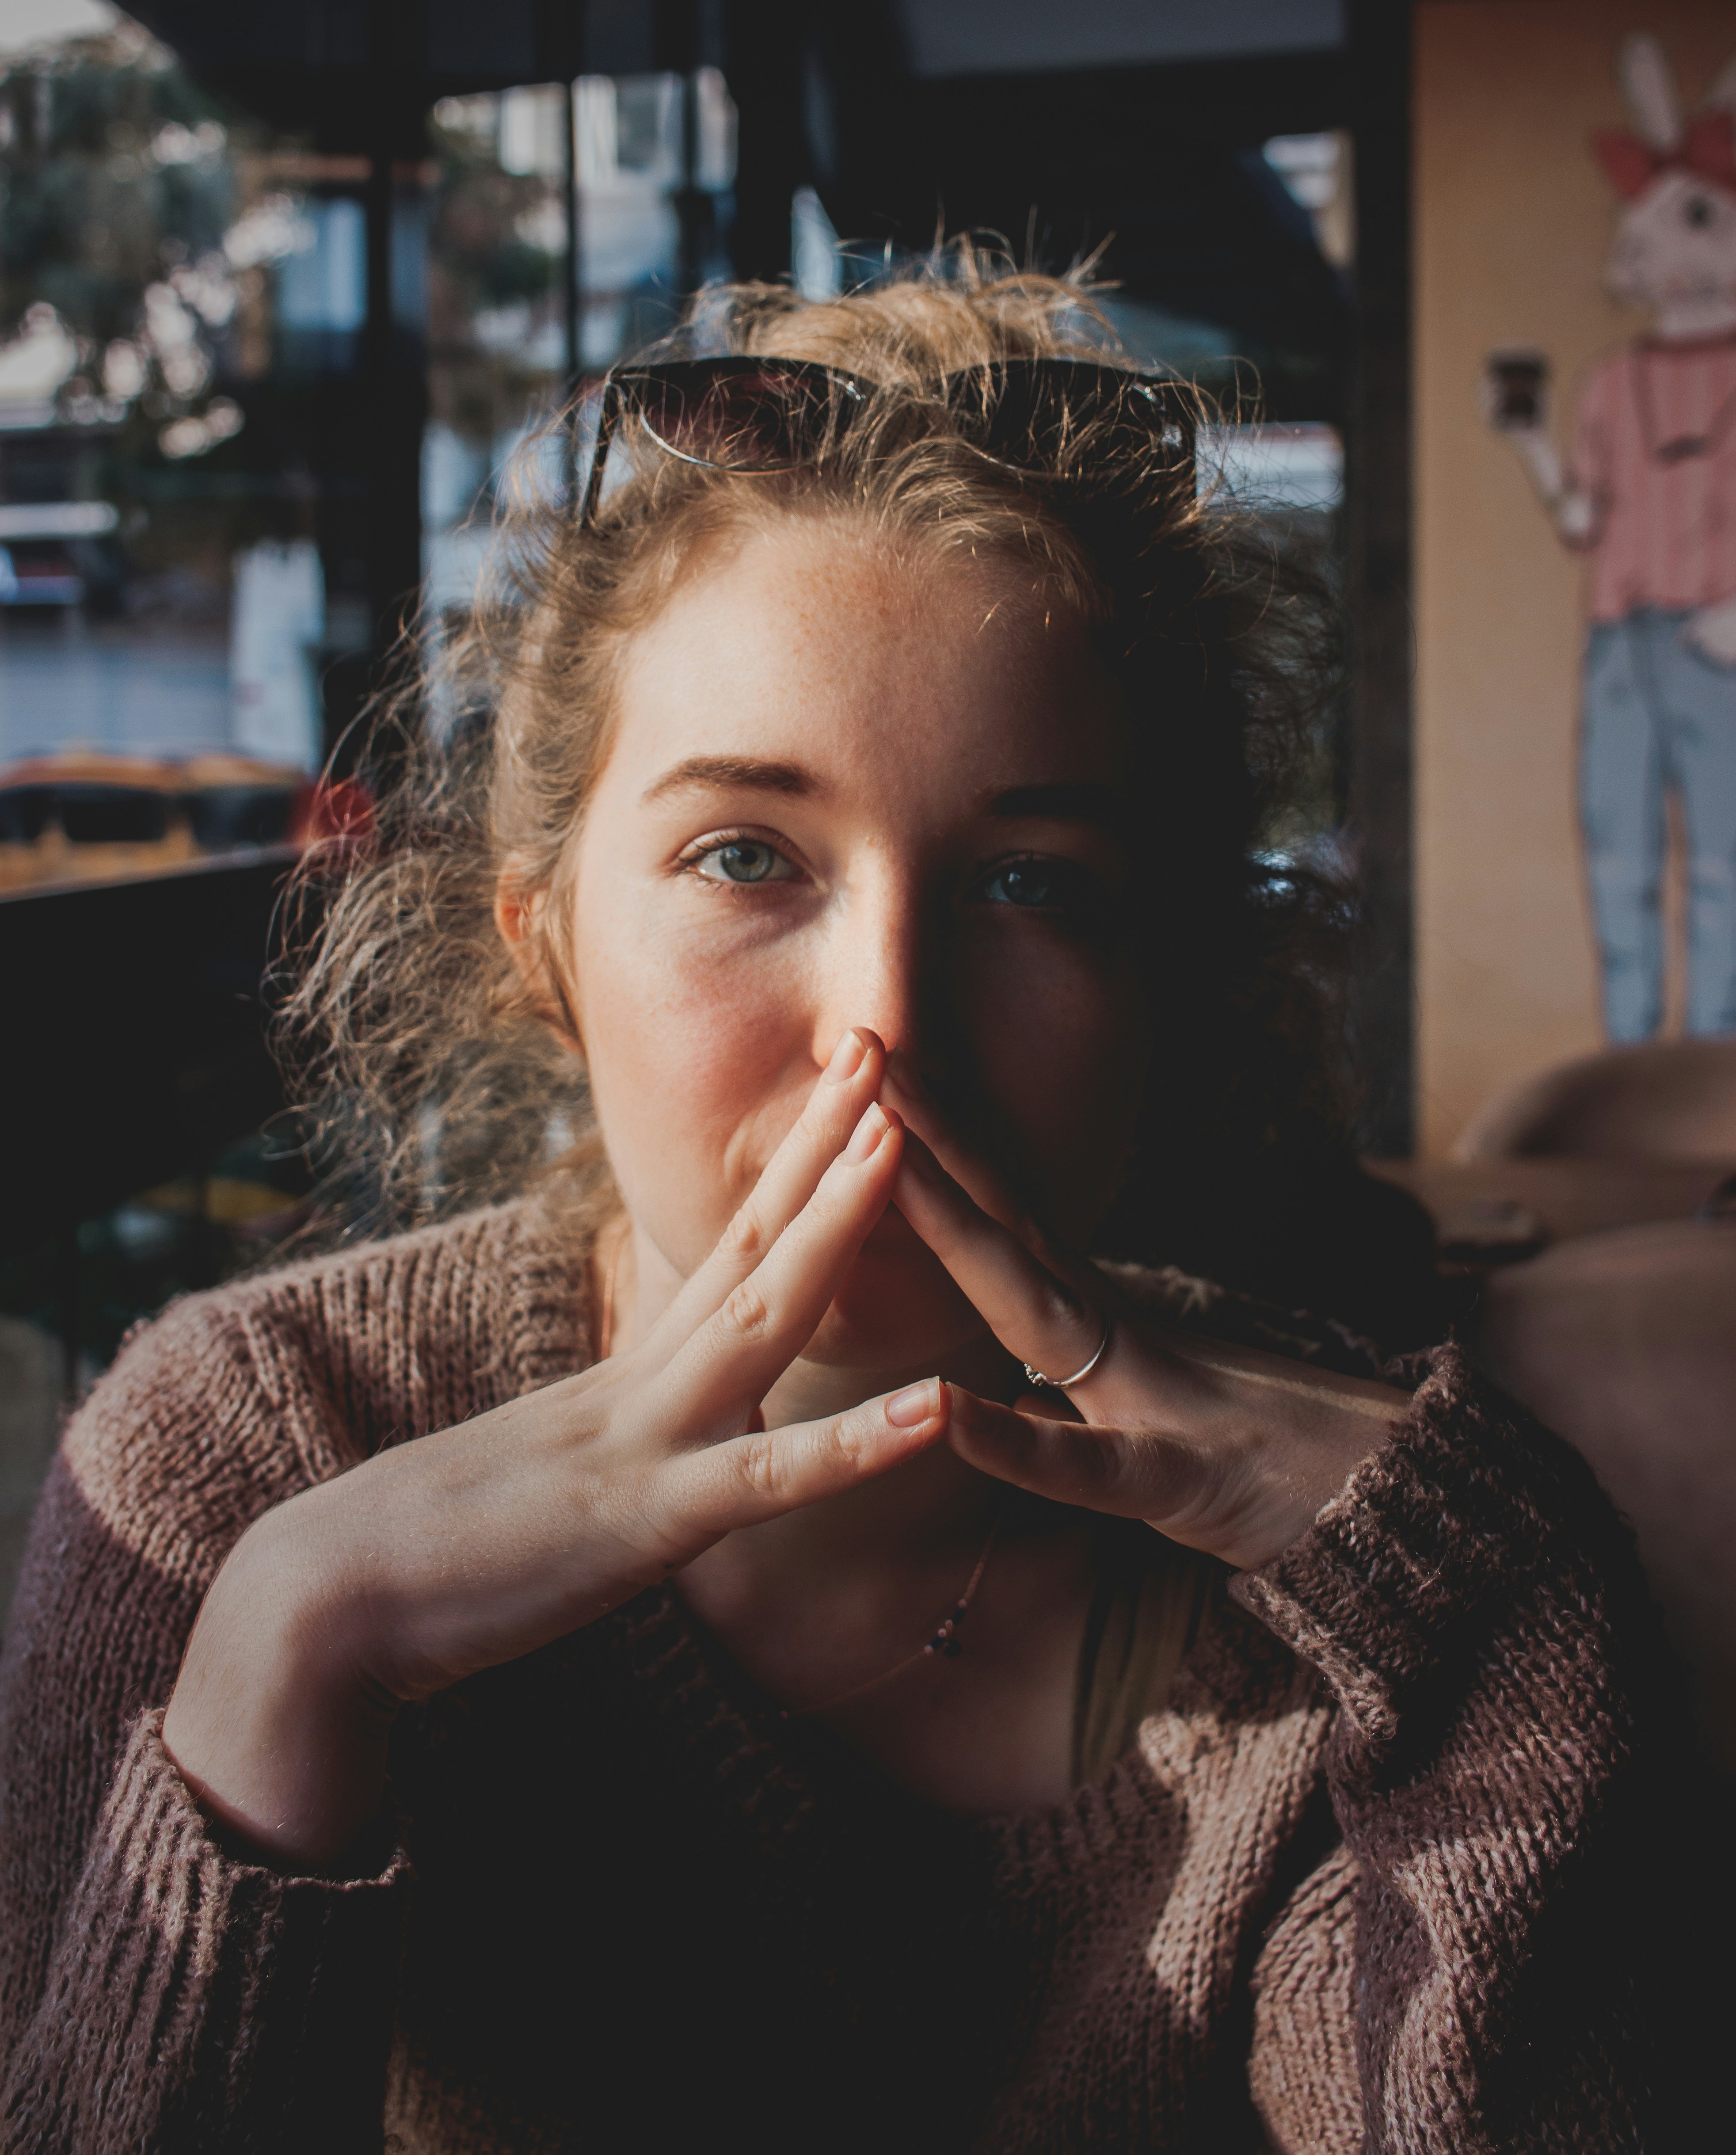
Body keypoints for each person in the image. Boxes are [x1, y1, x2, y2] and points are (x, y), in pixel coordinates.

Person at [0, 256, 1690, 2151]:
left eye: (1029, 880)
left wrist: (1496, 1609)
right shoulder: (245, 1465)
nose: (885, 1024)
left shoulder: (1341, 1580)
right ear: (543, 943)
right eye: (746, 856)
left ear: (1169, 976)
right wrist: (286, 1658)